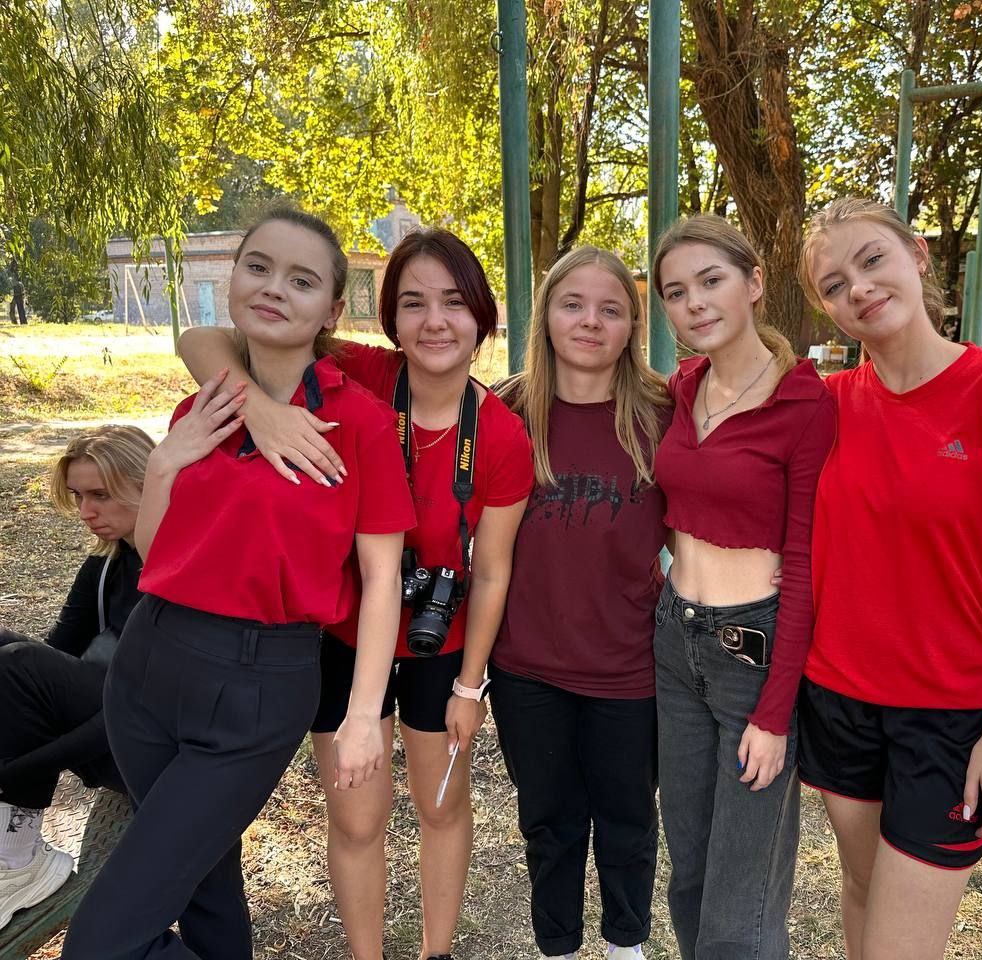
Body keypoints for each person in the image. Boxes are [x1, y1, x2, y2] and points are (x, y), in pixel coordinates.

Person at [62, 206, 415, 960]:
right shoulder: (202, 405)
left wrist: (361, 715)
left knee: (100, 942)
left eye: (301, 280)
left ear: (332, 309)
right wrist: (165, 461)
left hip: (256, 686)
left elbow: (383, 578)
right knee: (207, 893)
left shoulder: (359, 423)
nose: (274, 288)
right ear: (232, 280)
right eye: (258, 267)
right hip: (148, 665)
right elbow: (155, 554)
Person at [179, 227, 533, 960]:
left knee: (443, 808)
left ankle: (437, 952)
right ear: (388, 318)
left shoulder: (502, 437)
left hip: (441, 641)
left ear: (482, 315)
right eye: (413, 303)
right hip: (343, 630)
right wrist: (259, 409)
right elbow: (200, 338)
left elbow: (494, 570)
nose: (435, 322)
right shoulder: (363, 374)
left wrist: (471, 685)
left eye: (454, 303)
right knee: (356, 818)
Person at [797, 197, 982, 960]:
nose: (858, 288)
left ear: (917, 255)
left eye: (872, 260)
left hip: (949, 718)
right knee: (861, 894)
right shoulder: (822, 406)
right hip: (838, 701)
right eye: (834, 284)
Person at [649, 215, 837, 960]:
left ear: (754, 283)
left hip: (752, 653)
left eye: (711, 280)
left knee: (740, 899)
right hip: (675, 640)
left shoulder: (803, 404)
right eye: (675, 292)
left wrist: (775, 713)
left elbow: (807, 564)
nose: (694, 303)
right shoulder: (682, 388)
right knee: (690, 875)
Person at [489, 247, 671, 960]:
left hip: (629, 665)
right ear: (545, 316)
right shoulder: (505, 410)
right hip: (527, 667)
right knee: (550, 822)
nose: (590, 321)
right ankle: (558, 947)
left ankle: (626, 945)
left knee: (628, 819)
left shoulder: (662, 413)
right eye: (573, 304)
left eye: (611, 309)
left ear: (632, 327)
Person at [0, 425, 151, 931]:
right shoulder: (105, 566)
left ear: (149, 483)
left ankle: (17, 859)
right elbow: (53, 659)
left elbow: (144, 705)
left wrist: (21, 770)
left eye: (100, 495)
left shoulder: (183, 571)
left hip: (153, 744)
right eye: (78, 496)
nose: (86, 512)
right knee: (9, 655)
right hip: (102, 724)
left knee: (19, 665)